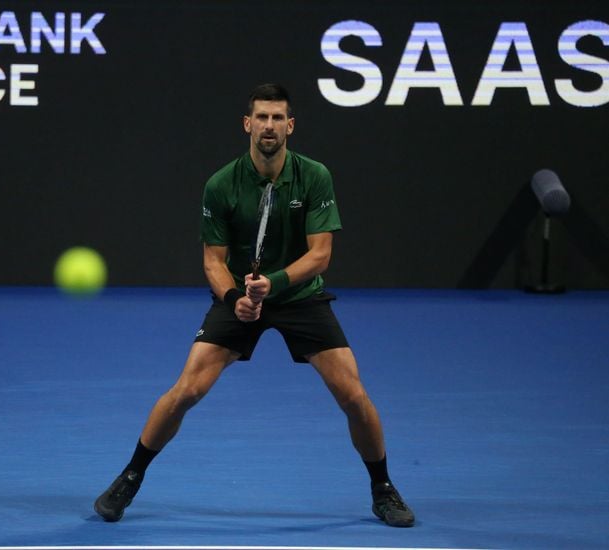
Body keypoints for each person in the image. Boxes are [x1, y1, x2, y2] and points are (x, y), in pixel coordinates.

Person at [93, 83, 415, 528]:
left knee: (353, 395)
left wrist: (274, 283)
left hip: (299, 296)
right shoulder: (221, 184)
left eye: (277, 117)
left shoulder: (315, 176)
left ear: (290, 126)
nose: (269, 125)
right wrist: (234, 298)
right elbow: (213, 261)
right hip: (240, 297)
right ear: (248, 124)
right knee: (187, 389)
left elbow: (320, 255)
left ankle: (383, 488)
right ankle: (130, 476)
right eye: (261, 117)